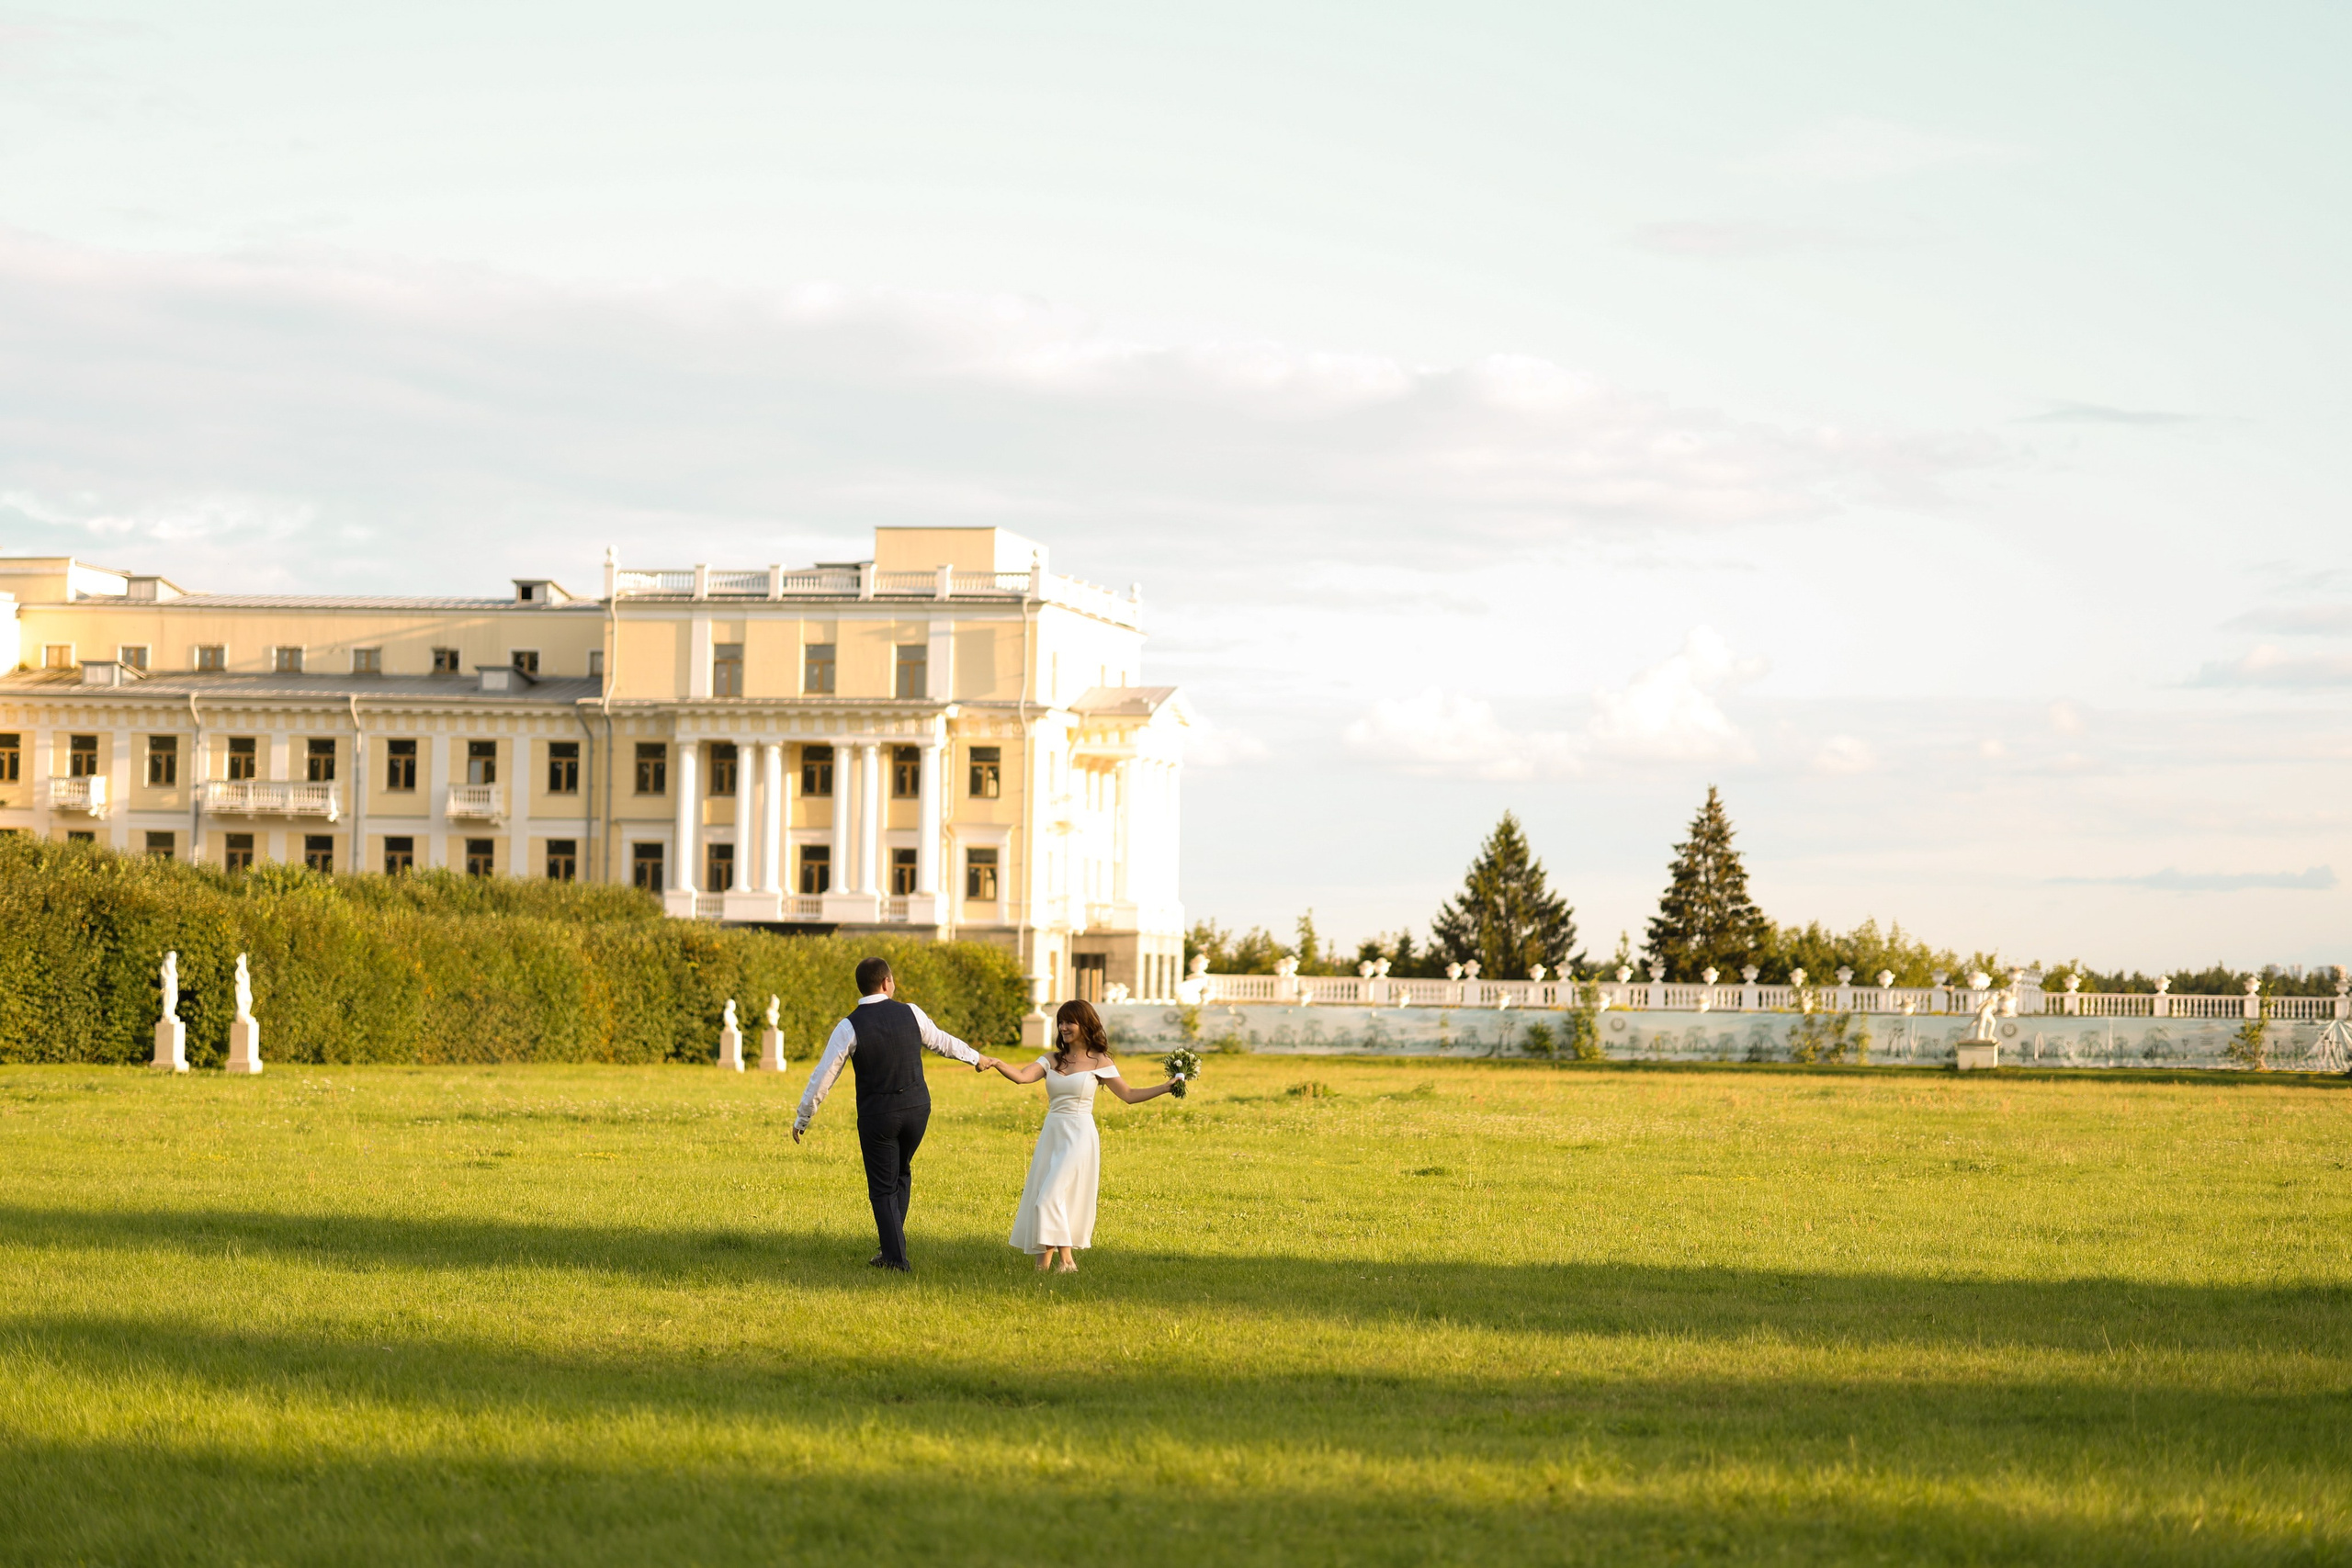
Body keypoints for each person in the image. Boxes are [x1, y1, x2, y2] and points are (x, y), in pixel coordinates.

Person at [794, 956, 1006, 1271]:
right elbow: (942, 1042)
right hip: (918, 1109)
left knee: (882, 1188)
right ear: (886, 983)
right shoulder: (912, 1012)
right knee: (901, 1173)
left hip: (878, 1116)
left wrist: (803, 1117)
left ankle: (895, 1259)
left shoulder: (849, 1026)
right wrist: (975, 1057)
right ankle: (892, 1247)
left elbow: (824, 1075)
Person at [988, 998, 1182, 1273]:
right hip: (1053, 1133)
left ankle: (1067, 1262)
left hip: (1079, 1135)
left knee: (1049, 1197)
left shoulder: (1099, 1061)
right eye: (1061, 1022)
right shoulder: (1052, 1058)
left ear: (1085, 1024)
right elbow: (1021, 1077)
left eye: (1070, 1022)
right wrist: (996, 1062)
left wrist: (1165, 1087)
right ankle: (1043, 1264)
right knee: (1048, 1195)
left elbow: (1128, 1095)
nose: (1064, 1027)